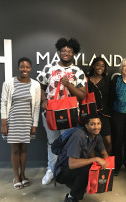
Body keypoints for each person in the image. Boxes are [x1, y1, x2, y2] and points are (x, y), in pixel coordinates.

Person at [36, 37, 87, 185]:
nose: (66, 53)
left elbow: (82, 94)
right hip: (51, 112)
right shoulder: (49, 68)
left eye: (69, 51)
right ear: (59, 51)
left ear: (74, 53)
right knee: (52, 142)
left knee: (68, 143)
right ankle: (51, 169)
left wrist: (69, 86)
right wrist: (44, 100)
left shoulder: (77, 71)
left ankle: (64, 172)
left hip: (69, 113)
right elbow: (40, 86)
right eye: (63, 50)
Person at [0, 57, 41, 189]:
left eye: (27, 67)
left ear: (31, 68)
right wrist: (3, 123)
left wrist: (34, 124)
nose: (25, 69)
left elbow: (36, 106)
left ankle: (23, 175)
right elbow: (4, 103)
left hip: (27, 121)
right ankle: (16, 177)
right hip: (13, 120)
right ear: (18, 67)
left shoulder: (35, 85)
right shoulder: (8, 83)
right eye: (22, 67)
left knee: (24, 149)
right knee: (15, 149)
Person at [55, 114, 109, 202]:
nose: (96, 127)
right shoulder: (78, 136)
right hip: (63, 172)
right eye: (92, 124)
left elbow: (104, 153)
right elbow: (71, 164)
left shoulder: (97, 136)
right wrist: (95, 159)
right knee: (89, 166)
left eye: (98, 123)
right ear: (86, 126)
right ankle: (71, 197)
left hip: (76, 168)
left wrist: (106, 168)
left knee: (96, 162)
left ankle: (79, 185)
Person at [87, 57, 112, 154]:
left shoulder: (107, 80)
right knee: (90, 142)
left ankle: (107, 166)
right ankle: (93, 167)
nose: (100, 67)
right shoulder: (86, 79)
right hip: (90, 114)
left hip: (104, 115)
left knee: (108, 142)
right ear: (93, 66)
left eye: (103, 66)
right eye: (97, 65)